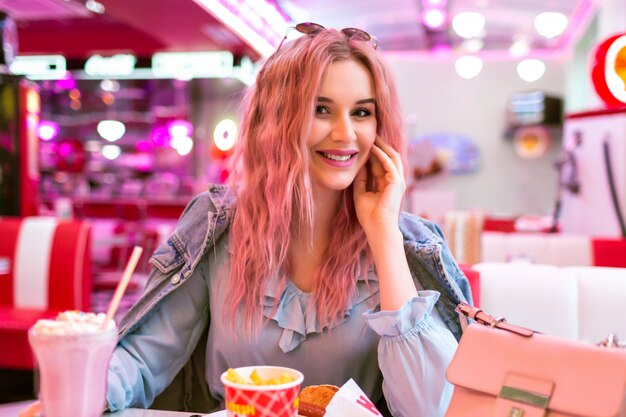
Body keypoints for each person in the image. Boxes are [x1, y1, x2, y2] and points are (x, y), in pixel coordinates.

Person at [106, 23, 473, 417]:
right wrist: (81, 383)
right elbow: (143, 360)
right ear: (277, 119)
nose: (346, 133)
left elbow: (428, 409)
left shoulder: (408, 247)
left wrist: (384, 233)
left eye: (362, 112)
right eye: (321, 109)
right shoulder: (216, 227)